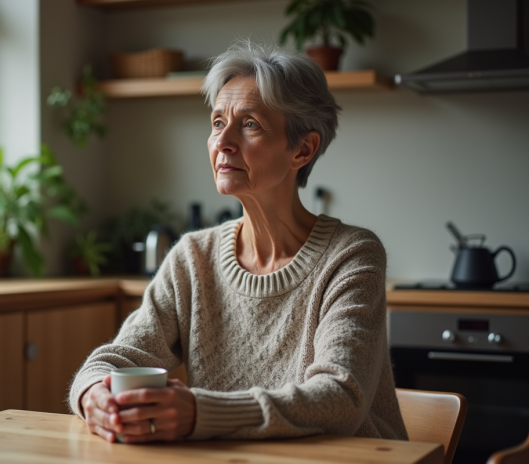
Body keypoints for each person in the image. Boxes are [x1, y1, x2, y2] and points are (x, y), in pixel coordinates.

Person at [69, 40, 408, 444]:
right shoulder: (193, 257)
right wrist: (92, 393)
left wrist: (200, 413)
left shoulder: (352, 257)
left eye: (249, 124)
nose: (222, 142)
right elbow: (119, 357)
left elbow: (340, 399)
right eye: (216, 123)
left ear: (303, 148)